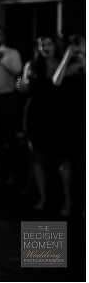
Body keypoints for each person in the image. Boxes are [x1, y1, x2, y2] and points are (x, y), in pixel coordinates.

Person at [20, 33, 62, 211]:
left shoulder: (61, 64)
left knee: (54, 157)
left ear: (55, 46)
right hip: (34, 113)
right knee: (36, 155)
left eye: (49, 44)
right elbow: (26, 89)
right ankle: (43, 196)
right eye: (42, 45)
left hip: (55, 114)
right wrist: (22, 86)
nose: (45, 48)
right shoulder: (32, 65)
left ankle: (58, 195)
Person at [52, 34, 85, 217]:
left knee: (84, 162)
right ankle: (67, 201)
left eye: (79, 43)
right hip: (66, 116)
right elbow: (56, 81)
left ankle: (85, 204)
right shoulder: (64, 64)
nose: (76, 47)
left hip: (83, 116)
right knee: (66, 161)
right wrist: (67, 56)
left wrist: (84, 56)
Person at [0, 24, 23, 184]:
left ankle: (12, 172)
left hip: (7, 98)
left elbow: (17, 70)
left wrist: (1, 59)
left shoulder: (12, 53)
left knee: (8, 136)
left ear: (4, 36)